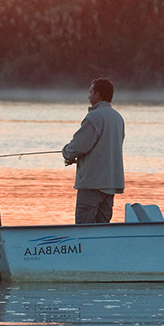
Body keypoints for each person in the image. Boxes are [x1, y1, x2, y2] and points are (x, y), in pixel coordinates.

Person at [63, 78, 125, 224]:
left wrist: (66, 152)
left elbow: (77, 147)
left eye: (90, 92)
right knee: (102, 230)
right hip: (110, 183)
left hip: (92, 184)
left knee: (84, 229)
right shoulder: (118, 118)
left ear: (98, 94)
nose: (88, 96)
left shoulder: (94, 117)